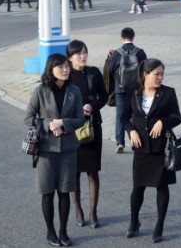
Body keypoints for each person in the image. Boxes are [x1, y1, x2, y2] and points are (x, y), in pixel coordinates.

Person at [24, 53, 85, 247]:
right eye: (60, 67)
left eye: (67, 66)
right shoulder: (40, 91)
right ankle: (50, 233)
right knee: (48, 192)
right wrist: (49, 124)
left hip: (68, 150)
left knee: (65, 192)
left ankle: (63, 232)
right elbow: (28, 117)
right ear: (51, 70)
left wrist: (63, 123)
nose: (65, 69)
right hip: (46, 150)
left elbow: (80, 119)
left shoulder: (74, 91)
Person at [121, 58, 181, 244]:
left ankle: (159, 226)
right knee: (137, 188)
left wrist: (163, 122)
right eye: (157, 74)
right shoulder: (133, 93)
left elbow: (177, 117)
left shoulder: (168, 93)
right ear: (145, 74)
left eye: (162, 74)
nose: (160, 77)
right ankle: (134, 222)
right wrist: (131, 130)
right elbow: (124, 117)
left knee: (161, 187)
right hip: (140, 148)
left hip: (160, 148)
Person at [66, 40, 108, 230]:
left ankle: (93, 212)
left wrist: (92, 106)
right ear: (69, 57)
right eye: (78, 54)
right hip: (72, 129)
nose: (82, 56)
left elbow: (104, 97)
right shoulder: (65, 75)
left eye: (84, 52)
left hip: (92, 128)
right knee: (74, 172)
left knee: (92, 171)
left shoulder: (93, 73)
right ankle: (78, 210)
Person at [107, 27, 147, 153]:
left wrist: (109, 58)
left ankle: (120, 142)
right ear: (133, 37)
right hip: (136, 88)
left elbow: (110, 69)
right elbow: (146, 69)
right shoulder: (140, 52)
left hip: (120, 88)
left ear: (121, 37)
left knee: (120, 115)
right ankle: (135, 141)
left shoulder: (117, 53)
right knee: (136, 114)